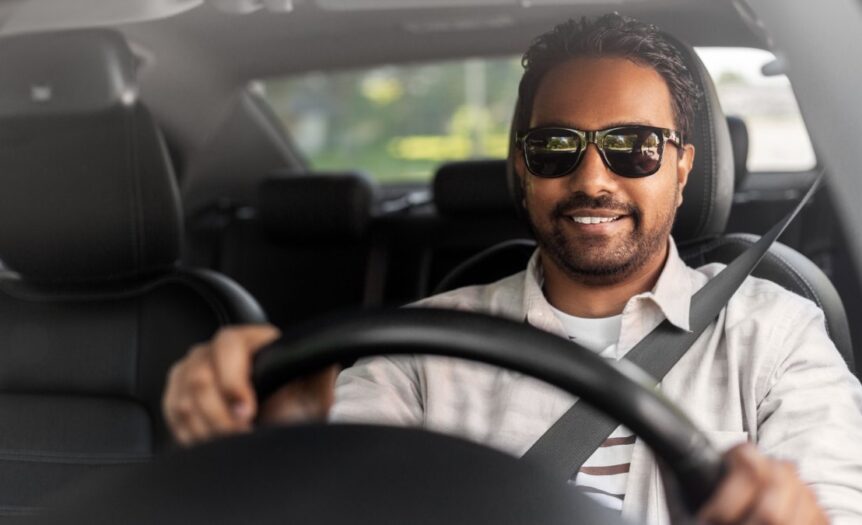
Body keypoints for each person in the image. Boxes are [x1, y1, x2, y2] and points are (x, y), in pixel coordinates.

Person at [162, 14, 862, 524]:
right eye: (557, 146)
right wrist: (292, 436)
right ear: (523, 168)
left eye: (634, 147)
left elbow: (833, 503)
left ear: (682, 166)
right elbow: (349, 496)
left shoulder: (776, 333)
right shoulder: (420, 344)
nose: (593, 179)